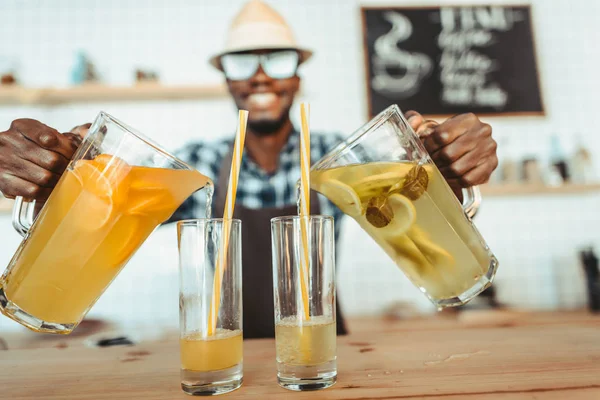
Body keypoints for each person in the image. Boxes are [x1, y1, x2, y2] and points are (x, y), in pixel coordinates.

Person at [0, 0, 498, 338]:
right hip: (221, 355)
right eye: (242, 63)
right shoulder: (195, 167)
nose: (260, 75)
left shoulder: (335, 161)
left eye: (276, 60)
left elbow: (408, 199)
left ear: (297, 76)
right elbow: (103, 214)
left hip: (320, 348)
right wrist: (53, 180)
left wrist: (447, 168)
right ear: (226, 81)